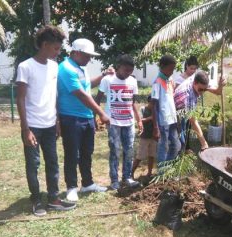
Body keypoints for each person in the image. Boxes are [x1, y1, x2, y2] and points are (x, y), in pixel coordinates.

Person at [16, 25, 76, 216]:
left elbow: (54, 95)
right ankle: (36, 200)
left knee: (52, 162)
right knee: (33, 164)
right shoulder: (25, 67)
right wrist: (26, 130)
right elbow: (20, 99)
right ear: (44, 45)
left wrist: (57, 120)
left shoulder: (54, 66)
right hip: (32, 125)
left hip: (50, 124)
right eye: (55, 48)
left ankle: (53, 198)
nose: (58, 52)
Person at [57, 38, 110, 202]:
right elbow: (81, 94)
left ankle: (87, 183)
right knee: (72, 153)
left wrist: (102, 75)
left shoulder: (81, 68)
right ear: (76, 52)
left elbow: (87, 85)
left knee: (87, 153)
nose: (90, 59)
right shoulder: (65, 68)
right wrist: (101, 112)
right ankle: (71, 187)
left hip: (86, 117)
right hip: (71, 117)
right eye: (87, 55)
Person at [95, 54, 142, 190]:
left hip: (128, 122)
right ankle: (114, 180)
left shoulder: (133, 81)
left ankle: (127, 177)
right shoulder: (107, 80)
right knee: (114, 150)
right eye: (126, 70)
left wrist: (139, 120)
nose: (128, 73)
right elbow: (97, 99)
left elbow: (132, 103)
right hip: (114, 122)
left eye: (130, 71)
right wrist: (96, 117)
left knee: (129, 150)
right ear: (118, 67)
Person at [174, 71, 225, 151]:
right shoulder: (187, 95)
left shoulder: (200, 79)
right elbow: (193, 121)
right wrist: (204, 143)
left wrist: (220, 86)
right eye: (201, 89)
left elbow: (218, 92)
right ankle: (176, 157)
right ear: (194, 83)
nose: (202, 92)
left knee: (182, 139)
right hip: (174, 114)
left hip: (184, 111)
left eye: (205, 89)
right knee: (179, 142)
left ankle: (181, 152)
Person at [151, 55, 181, 167]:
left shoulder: (170, 80)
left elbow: (171, 101)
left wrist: (176, 118)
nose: (172, 72)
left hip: (172, 119)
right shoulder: (157, 82)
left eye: (173, 69)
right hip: (163, 121)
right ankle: (161, 173)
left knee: (176, 145)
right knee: (163, 147)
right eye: (170, 69)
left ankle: (166, 168)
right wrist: (155, 127)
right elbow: (154, 105)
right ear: (162, 67)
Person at [132, 95, 157, 177]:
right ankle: (131, 173)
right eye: (152, 103)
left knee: (151, 155)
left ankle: (149, 172)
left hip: (153, 136)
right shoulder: (143, 109)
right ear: (149, 102)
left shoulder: (156, 110)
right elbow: (139, 120)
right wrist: (150, 118)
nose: (153, 105)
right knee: (140, 156)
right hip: (145, 136)